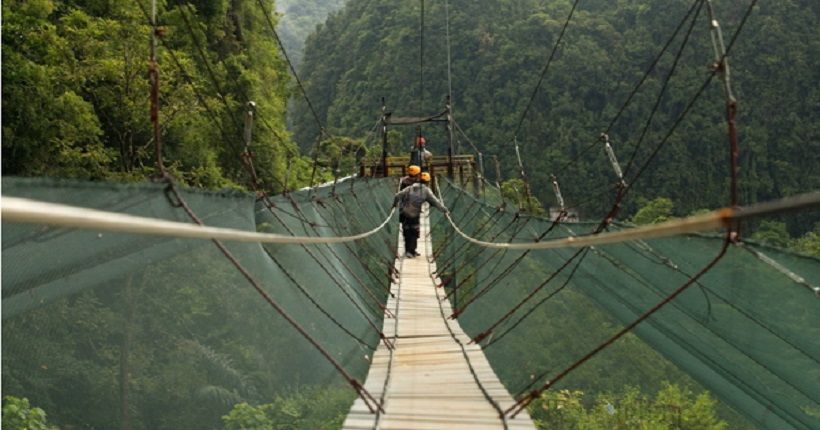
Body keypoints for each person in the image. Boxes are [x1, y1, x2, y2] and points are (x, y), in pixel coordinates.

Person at [393, 172, 448, 258]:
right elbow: (435, 202)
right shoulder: (426, 191)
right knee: (414, 232)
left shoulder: (410, 188)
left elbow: (397, 196)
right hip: (414, 214)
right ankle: (410, 251)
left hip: (404, 213)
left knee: (407, 231)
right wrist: (444, 210)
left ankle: (410, 251)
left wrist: (395, 205)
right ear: (428, 182)